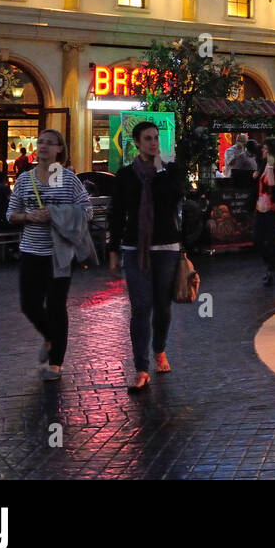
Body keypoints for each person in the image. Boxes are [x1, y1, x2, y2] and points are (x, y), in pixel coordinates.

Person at [6, 129, 92, 383]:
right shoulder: (24, 179)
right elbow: (10, 214)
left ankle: (56, 363)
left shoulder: (68, 179)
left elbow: (87, 210)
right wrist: (28, 216)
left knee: (56, 305)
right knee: (29, 304)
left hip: (60, 252)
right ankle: (50, 338)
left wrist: (57, 213)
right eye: (40, 142)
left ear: (59, 150)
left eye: (49, 143)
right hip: (31, 250)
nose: (43, 146)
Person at [107, 120, 187, 393]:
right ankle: (141, 368)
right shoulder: (126, 175)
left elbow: (174, 197)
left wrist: (160, 170)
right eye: (148, 139)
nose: (154, 143)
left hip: (166, 247)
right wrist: (113, 249)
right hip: (134, 247)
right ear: (137, 143)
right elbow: (116, 214)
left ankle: (160, 349)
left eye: (156, 138)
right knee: (141, 307)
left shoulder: (171, 171)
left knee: (163, 306)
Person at [254, 137, 275, 288]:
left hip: (272, 208)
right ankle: (271, 265)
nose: (263, 151)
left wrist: (270, 167)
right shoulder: (262, 164)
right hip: (261, 207)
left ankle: (271, 269)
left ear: (272, 151)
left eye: (265, 149)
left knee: (269, 239)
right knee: (258, 239)